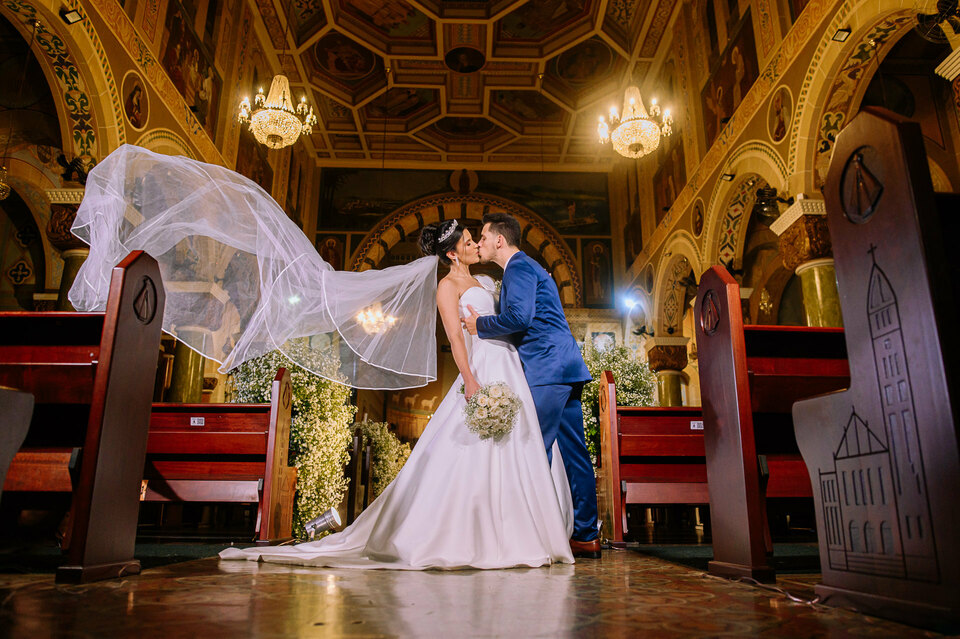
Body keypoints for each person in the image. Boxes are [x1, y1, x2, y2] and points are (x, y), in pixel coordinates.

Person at [220, 219, 575, 569]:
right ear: (453, 254)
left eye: (475, 239)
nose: (475, 245)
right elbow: (455, 338)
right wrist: (469, 378)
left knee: (520, 442)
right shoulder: (447, 287)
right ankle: (475, 533)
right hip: (482, 367)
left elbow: (514, 315)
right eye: (468, 242)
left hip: (510, 366)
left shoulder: (484, 280)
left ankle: (518, 528)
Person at [462, 212, 600, 558]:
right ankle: (586, 535)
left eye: (483, 236)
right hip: (564, 367)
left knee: (532, 450)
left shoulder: (519, 268)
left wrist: (481, 325)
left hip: (548, 369)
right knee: (574, 454)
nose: (479, 243)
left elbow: (519, 318)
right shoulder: (527, 267)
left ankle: (531, 539)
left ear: (499, 240)